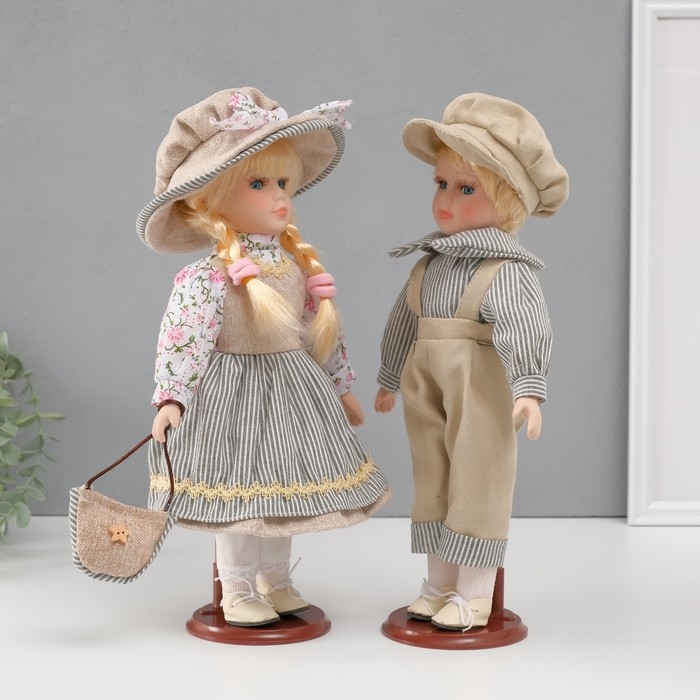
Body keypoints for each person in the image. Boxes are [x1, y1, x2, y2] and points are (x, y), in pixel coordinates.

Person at [137, 87, 391, 627]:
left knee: (282, 492)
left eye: (283, 184)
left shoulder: (298, 267)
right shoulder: (207, 278)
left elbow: (321, 334)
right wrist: (172, 398)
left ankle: (275, 580)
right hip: (230, 399)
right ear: (211, 197)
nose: (279, 197)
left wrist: (342, 386)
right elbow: (182, 340)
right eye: (258, 184)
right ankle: (235, 588)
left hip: (293, 393)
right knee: (238, 497)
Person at [375, 93, 568, 632]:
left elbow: (525, 326)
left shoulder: (506, 269)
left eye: (466, 189)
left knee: (479, 479)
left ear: (507, 202)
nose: (445, 201)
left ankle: (475, 594)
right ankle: (439, 583)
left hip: (478, 384)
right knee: (432, 476)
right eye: (441, 184)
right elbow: (405, 320)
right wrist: (389, 377)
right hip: (425, 381)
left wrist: (527, 388)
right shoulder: (429, 264)